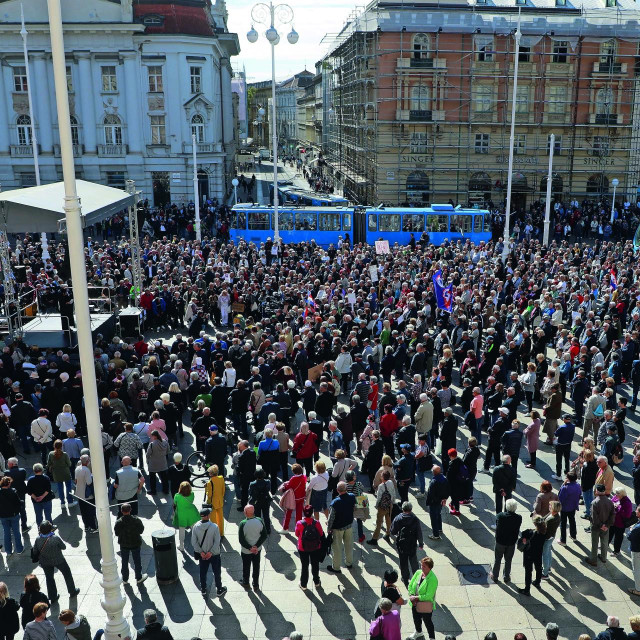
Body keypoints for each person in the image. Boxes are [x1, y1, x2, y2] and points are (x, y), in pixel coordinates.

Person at [32, 520, 80, 603]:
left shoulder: (38, 539)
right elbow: (63, 547)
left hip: (45, 562)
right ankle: (72, 591)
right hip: (59, 560)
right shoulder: (55, 538)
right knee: (67, 574)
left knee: (49, 578)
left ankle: (53, 596)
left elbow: (35, 551)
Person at [191, 507, 226, 597]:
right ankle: (219, 589)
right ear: (207, 516)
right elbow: (217, 541)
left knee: (203, 572)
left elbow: (194, 542)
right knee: (217, 572)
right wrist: (211, 552)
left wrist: (201, 552)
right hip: (214, 555)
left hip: (202, 555)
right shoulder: (214, 527)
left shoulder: (195, 527)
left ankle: (203, 589)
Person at [390, 501, 424, 587]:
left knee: (403, 562)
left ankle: (405, 578)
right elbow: (419, 532)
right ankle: (417, 577)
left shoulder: (398, 518)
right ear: (411, 509)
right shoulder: (415, 519)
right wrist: (420, 543)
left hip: (402, 544)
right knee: (413, 561)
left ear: (402, 509)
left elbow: (393, 531)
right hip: (412, 543)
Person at [113, 502, 147, 585]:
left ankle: (125, 579)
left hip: (124, 544)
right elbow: (141, 530)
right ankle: (139, 577)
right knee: (137, 560)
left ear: (121, 511)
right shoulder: (136, 520)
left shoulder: (118, 522)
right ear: (130, 510)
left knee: (124, 562)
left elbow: (117, 533)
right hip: (135, 543)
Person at [490, 498, 522, 583]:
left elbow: (497, 524)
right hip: (511, 543)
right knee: (508, 560)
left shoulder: (500, 516)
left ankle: (495, 576)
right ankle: (506, 577)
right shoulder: (518, 518)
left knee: (497, 559)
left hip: (500, 542)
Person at [327, 481, 356, 573]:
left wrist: (328, 529)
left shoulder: (335, 502)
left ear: (337, 490)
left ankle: (336, 567)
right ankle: (349, 562)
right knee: (349, 545)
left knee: (337, 548)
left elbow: (331, 518)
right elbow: (354, 508)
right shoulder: (352, 496)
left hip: (337, 528)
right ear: (346, 489)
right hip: (349, 526)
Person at [295, 504, 325, 590]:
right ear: (312, 513)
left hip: (302, 548)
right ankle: (316, 582)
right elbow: (321, 534)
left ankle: (303, 584)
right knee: (315, 564)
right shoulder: (317, 523)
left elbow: (297, 534)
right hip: (315, 547)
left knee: (305, 566)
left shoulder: (299, 523)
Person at [407, 556, 438, 640]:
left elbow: (429, 595)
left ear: (430, 567)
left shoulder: (433, 579)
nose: (422, 567)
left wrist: (415, 597)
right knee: (416, 619)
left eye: (424, 566)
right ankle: (418, 632)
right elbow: (410, 584)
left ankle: (432, 637)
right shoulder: (418, 572)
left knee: (427, 622)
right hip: (415, 602)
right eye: (421, 565)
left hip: (425, 604)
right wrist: (411, 594)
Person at [238, 504, 268, 590]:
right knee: (256, 567)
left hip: (246, 551)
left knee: (246, 567)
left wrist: (250, 548)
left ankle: (246, 582)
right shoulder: (259, 520)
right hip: (257, 550)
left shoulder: (243, 523)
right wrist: (256, 546)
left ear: (245, 513)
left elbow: (241, 539)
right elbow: (264, 535)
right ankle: (255, 584)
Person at [587, 484, 615, 566]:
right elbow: (613, 515)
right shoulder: (610, 502)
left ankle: (593, 559)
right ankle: (603, 558)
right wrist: (607, 525)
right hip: (606, 527)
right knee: (604, 542)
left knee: (594, 543)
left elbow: (594, 517)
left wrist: (600, 525)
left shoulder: (594, 502)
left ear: (597, 491)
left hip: (596, 527)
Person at [518, 516, 546, 595]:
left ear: (535, 523)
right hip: (538, 553)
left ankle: (527, 589)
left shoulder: (531, 533)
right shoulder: (544, 531)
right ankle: (537, 582)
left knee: (528, 571)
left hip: (529, 554)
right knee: (538, 568)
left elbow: (523, 533)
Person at [367, 470, 396, 545]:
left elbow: (379, 497)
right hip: (389, 505)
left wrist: (377, 506)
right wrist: (392, 502)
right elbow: (393, 493)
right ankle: (387, 534)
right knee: (388, 520)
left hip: (382, 507)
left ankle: (374, 539)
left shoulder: (381, 486)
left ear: (383, 477)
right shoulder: (390, 482)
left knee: (379, 523)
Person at [46, 440, 75, 507]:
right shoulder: (65, 454)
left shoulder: (51, 454)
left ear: (54, 446)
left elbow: (48, 464)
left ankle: (62, 503)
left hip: (56, 474)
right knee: (68, 487)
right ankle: (70, 501)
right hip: (66, 473)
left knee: (60, 488)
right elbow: (69, 464)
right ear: (61, 446)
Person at [425, 465, 450, 541]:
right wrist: (444, 498)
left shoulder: (434, 482)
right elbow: (448, 490)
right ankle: (439, 529)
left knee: (433, 518)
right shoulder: (444, 479)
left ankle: (436, 535)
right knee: (438, 514)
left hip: (434, 503)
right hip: (441, 502)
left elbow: (430, 494)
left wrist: (429, 502)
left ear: (434, 472)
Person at [0, 476, 24, 555]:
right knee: (16, 532)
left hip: (3, 516)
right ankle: (19, 549)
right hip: (13, 515)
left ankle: (8, 551)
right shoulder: (13, 492)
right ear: (9, 483)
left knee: (6, 533)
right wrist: (21, 502)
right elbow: (18, 502)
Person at [173, 481, 199, 551]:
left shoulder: (177, 496)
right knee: (194, 529)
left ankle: (181, 546)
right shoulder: (192, 494)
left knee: (181, 530)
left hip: (182, 515)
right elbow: (192, 500)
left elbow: (175, 503)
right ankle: (197, 543)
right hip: (191, 513)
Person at [558, 471, 581, 544]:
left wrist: (563, 485)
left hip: (564, 508)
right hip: (573, 507)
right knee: (572, 521)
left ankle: (563, 540)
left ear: (568, 478)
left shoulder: (565, 487)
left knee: (563, 524)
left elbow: (560, 498)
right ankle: (573, 535)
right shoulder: (578, 485)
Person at [610, 487, 634, 556]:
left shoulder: (627, 503)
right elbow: (612, 501)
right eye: (615, 493)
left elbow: (627, 515)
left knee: (618, 538)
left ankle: (616, 551)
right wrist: (613, 505)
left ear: (622, 494)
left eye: (617, 493)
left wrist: (618, 508)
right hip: (613, 521)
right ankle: (605, 545)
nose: (615, 495)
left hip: (620, 524)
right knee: (609, 533)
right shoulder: (616, 497)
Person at [491, 455, 516, 520]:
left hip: (498, 490)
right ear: (509, 461)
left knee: (498, 505)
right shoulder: (512, 470)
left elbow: (494, 481)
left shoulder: (496, 469)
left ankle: (498, 519)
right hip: (508, 490)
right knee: (508, 505)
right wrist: (507, 490)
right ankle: (506, 518)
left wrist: (501, 489)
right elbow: (513, 482)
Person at [204, 465, 226, 537]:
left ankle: (216, 533)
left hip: (212, 503)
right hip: (220, 501)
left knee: (213, 520)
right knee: (220, 518)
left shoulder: (210, 483)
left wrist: (206, 488)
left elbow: (209, 494)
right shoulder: (221, 478)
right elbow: (223, 491)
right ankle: (221, 533)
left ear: (211, 473)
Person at [248, 468, 272, 534]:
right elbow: (268, 490)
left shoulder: (252, 484)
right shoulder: (267, 482)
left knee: (258, 516)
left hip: (257, 502)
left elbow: (250, 493)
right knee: (266, 516)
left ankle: (259, 529)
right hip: (265, 501)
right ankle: (268, 529)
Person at [552, 414, 575, 481]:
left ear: (564, 419)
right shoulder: (573, 426)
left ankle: (558, 475)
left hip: (560, 445)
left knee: (559, 460)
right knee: (567, 459)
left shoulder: (562, 427)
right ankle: (567, 472)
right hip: (568, 444)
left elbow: (556, 434)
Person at [146, 430, 170, 495]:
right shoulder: (165, 442)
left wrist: (147, 460)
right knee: (164, 477)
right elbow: (168, 451)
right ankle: (166, 490)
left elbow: (148, 454)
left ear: (154, 436)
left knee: (152, 478)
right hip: (163, 462)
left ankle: (153, 491)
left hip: (153, 463)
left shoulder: (152, 444)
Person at [542, 501, 561, 579]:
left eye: (550, 506)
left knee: (545, 555)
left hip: (547, 538)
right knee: (549, 551)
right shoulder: (556, 515)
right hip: (551, 537)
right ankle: (548, 567)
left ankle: (545, 573)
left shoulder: (551, 519)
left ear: (554, 508)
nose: (549, 506)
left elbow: (545, 526)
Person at [628, 506, 640, 596]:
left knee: (636, 570)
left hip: (637, 551)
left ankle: (638, 589)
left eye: (637, 510)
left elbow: (630, 537)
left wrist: (631, 530)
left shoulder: (637, 528)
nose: (635, 511)